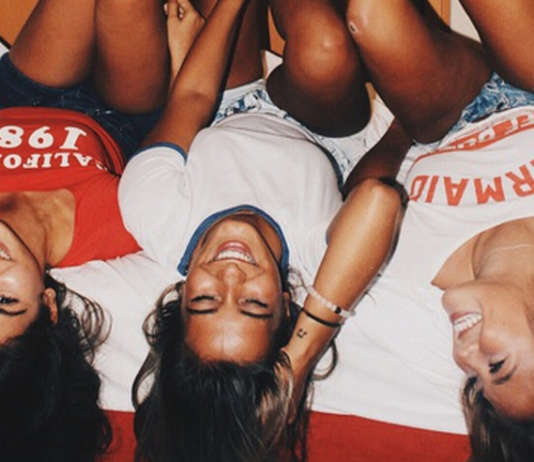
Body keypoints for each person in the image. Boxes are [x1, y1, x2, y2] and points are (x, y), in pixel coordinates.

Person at [123, 0, 406, 461]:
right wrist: (300, 357)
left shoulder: (154, 215)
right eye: (253, 304)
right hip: (323, 134)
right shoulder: (316, 266)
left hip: (224, 107)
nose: (231, 276)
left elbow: (191, 98)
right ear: (286, 303)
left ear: (181, 294)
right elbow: (379, 200)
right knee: (324, 47)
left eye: (205, 300)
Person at [323, 1, 534, 461]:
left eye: (473, 378)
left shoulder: (413, 272)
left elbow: (363, 193)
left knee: (372, 16)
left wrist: (404, 126)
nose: (465, 356)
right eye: (496, 363)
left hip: (452, 108)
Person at [0, 0, 201, 459]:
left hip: (18, 94)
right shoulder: (115, 232)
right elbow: (170, 147)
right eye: (4, 301)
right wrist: (180, 68)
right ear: (48, 305)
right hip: (119, 117)